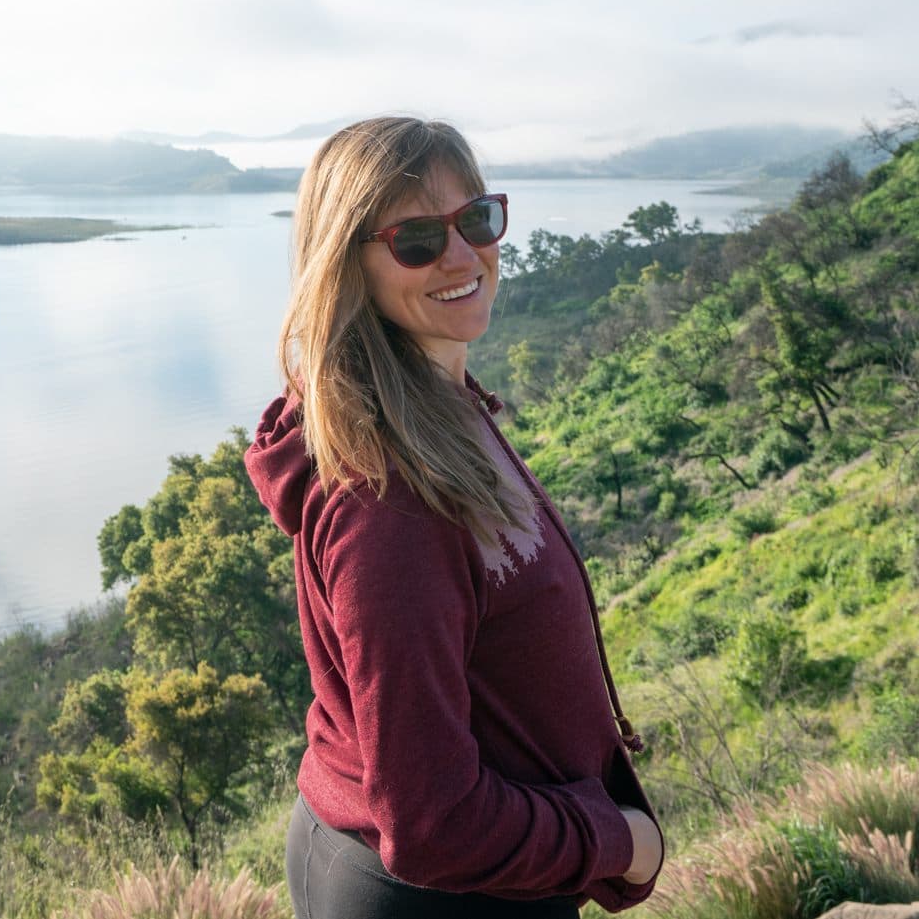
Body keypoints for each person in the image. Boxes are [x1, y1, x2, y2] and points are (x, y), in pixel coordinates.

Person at [244, 116, 664, 917]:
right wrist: (617, 839)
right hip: (449, 895)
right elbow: (435, 822)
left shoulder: (431, 411)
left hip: (416, 866)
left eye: (477, 219)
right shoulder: (390, 500)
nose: (464, 255)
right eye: (416, 239)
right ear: (347, 265)